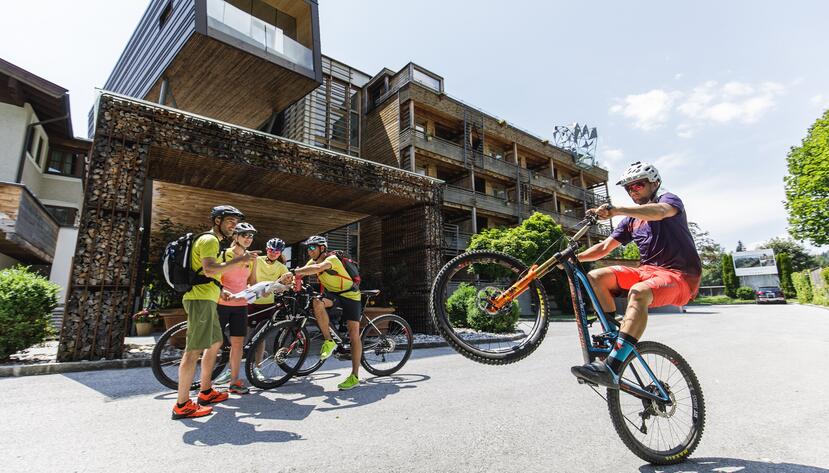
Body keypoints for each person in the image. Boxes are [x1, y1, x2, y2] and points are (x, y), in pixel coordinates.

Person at [571, 162, 702, 389]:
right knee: (596, 277)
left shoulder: (669, 200)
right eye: (629, 188)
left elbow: (660, 213)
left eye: (638, 185)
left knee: (639, 292)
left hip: (679, 276)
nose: (633, 191)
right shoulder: (631, 221)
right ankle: (615, 335)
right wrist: (572, 258)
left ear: (654, 183)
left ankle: (612, 366)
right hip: (647, 271)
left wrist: (618, 209)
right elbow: (604, 248)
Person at [172, 205, 258, 420]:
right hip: (199, 299)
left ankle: (206, 391)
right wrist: (239, 261)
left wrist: (221, 290)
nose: (233, 226)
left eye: (235, 222)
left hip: (208, 297)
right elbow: (210, 269)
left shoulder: (215, 243)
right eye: (229, 221)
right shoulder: (210, 240)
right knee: (193, 351)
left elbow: (208, 275)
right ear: (217, 221)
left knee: (215, 342)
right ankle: (182, 404)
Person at [291, 235, 362, 390]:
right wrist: (287, 278)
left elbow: (316, 269)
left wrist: (295, 271)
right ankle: (329, 340)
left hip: (350, 296)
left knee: (353, 333)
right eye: (307, 248)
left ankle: (355, 376)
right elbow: (303, 272)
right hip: (335, 295)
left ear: (322, 248)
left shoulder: (332, 260)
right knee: (317, 302)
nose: (309, 251)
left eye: (312, 248)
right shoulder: (313, 261)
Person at [213, 222, 259, 394]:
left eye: (251, 236)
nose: (248, 239)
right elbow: (214, 277)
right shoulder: (225, 254)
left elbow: (252, 282)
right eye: (245, 235)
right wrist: (222, 290)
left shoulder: (252, 259)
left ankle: (234, 381)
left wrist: (264, 289)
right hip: (221, 303)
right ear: (236, 236)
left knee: (238, 343)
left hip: (240, 305)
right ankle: (206, 384)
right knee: (214, 343)